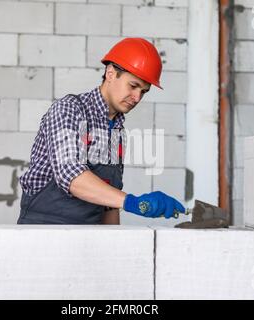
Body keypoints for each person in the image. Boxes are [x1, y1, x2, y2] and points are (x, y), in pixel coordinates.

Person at [18, 37, 185, 225]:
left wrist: (115, 244)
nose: (137, 97)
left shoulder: (117, 131)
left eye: (144, 91)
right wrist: (134, 203)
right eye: (133, 86)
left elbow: (109, 204)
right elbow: (71, 176)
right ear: (111, 73)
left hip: (90, 236)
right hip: (42, 231)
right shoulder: (69, 110)